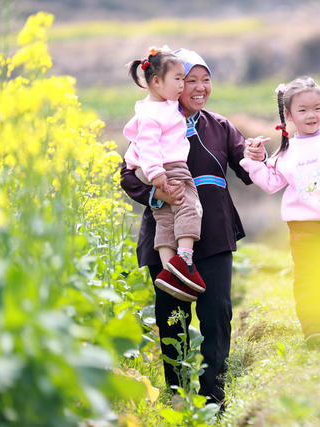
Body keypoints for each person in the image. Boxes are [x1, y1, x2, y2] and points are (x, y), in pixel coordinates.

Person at [120, 48, 266, 405]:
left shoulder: (219, 126)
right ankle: (178, 394)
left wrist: (257, 156)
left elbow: (246, 171)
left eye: (205, 80)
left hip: (214, 233)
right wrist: (159, 195)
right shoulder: (154, 121)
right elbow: (128, 174)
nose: (199, 88)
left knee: (217, 314)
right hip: (166, 235)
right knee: (172, 316)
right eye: (189, 80)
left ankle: (215, 397)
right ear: (169, 84)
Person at [239, 76, 320, 344]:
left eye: (317, 108)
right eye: (303, 110)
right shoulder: (286, 151)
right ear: (288, 114)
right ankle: (314, 328)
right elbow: (271, 183)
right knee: (308, 276)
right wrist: (254, 162)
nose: (311, 115)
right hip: (303, 226)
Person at [123, 47, 206, 301]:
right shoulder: (153, 112)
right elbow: (148, 144)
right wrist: (157, 174)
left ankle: (169, 271)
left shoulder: (159, 106)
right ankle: (184, 262)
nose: (182, 85)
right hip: (166, 166)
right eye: (179, 78)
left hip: (153, 168)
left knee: (166, 219)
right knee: (189, 205)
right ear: (156, 82)